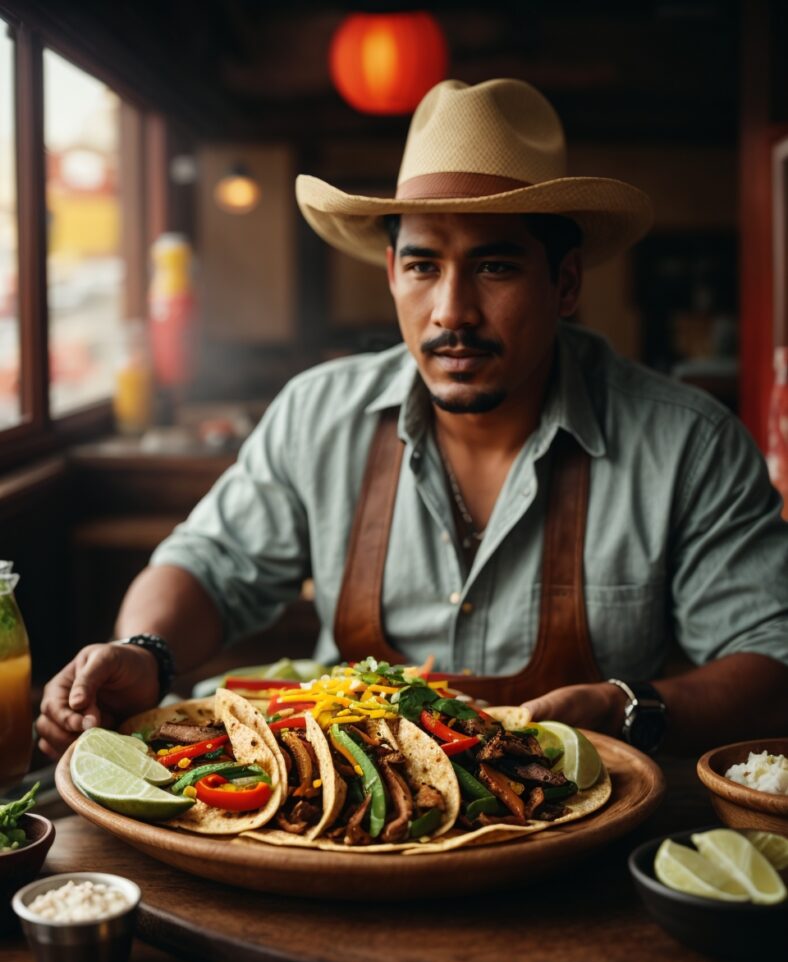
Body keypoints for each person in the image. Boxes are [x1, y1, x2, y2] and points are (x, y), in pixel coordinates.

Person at [37, 78, 788, 760]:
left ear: (563, 284)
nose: (452, 312)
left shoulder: (688, 442)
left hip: (584, 838)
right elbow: (205, 566)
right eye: (425, 266)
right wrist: (143, 652)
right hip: (344, 828)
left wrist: (631, 708)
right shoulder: (316, 414)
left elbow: (774, 656)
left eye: (495, 267)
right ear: (393, 272)